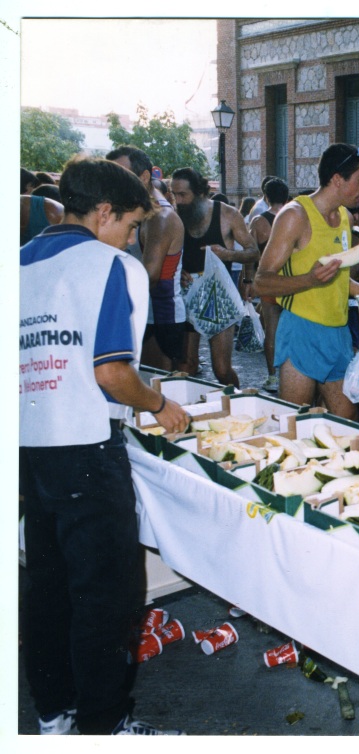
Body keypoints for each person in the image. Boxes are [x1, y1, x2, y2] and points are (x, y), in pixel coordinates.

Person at [20, 156, 189, 736]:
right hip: (88, 449)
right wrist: (159, 405)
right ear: (103, 213)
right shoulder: (108, 266)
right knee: (106, 595)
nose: (133, 238)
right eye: (131, 225)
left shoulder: (15, 264)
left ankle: (54, 714)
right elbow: (113, 372)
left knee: (47, 585)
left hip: (27, 449)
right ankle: (105, 726)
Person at [254, 144, 359, 418]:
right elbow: (261, 282)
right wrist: (308, 280)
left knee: (348, 424)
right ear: (338, 179)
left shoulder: (343, 217)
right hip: (302, 331)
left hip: (338, 334)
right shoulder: (295, 216)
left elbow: (337, 279)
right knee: (296, 424)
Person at [170, 167, 260, 385]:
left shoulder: (228, 215)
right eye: (174, 194)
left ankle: (237, 407)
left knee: (221, 370)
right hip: (187, 295)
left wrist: (227, 254)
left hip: (218, 299)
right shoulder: (174, 216)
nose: (178, 201)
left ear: (200, 193)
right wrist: (176, 270)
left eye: (183, 195)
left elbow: (254, 252)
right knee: (186, 366)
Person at [106, 145, 186, 373]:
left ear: (143, 177)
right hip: (148, 312)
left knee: (153, 388)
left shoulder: (159, 216)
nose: (114, 183)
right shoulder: (142, 210)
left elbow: (149, 276)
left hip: (159, 315)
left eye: (121, 175)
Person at [247, 177, 290, 393]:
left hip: (269, 283)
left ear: (265, 197)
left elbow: (251, 253)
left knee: (271, 330)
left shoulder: (259, 222)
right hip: (291, 283)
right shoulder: (294, 219)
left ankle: (273, 377)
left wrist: (248, 280)